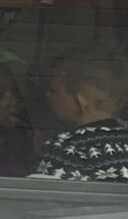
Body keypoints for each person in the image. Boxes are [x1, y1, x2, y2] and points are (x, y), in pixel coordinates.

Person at [34, 49, 128, 181]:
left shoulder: (67, 148)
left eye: (54, 91)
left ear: (82, 97)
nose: (48, 96)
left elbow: (45, 194)